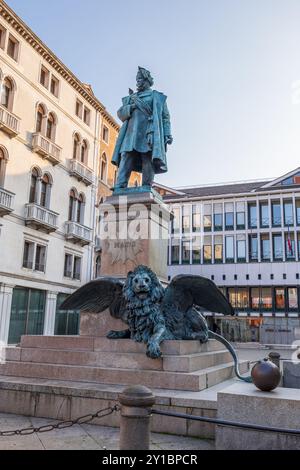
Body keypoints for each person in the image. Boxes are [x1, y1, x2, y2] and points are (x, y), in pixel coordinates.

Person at [112, 67, 173, 189]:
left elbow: (165, 117)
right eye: (136, 79)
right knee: (126, 156)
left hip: (149, 131)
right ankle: (120, 185)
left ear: (146, 80)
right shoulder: (131, 98)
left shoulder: (156, 96)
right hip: (130, 133)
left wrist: (167, 134)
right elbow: (121, 114)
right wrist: (131, 107)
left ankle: (146, 185)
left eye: (139, 79)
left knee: (147, 157)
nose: (137, 82)